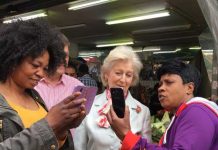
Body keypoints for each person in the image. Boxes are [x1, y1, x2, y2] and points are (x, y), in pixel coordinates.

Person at [0, 19, 86, 149]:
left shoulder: (35, 96)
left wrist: (62, 129)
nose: (41, 74)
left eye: (45, 68)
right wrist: (48, 125)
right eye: (35, 65)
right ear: (14, 59)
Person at [107, 60, 218, 150]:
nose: (161, 88)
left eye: (169, 82)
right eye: (160, 84)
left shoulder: (196, 113)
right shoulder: (183, 113)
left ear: (189, 88)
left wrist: (127, 136)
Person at [73, 46, 152, 150]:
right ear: (106, 75)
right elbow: (79, 146)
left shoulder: (143, 111)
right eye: (118, 73)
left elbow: (146, 147)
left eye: (128, 75)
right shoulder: (89, 105)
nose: (123, 80)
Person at [35, 33, 83, 110]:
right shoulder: (32, 84)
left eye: (66, 55)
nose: (63, 59)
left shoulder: (77, 86)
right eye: (58, 55)